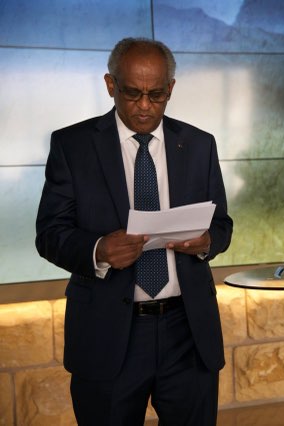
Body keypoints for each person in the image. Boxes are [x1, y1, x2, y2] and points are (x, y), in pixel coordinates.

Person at [35, 37, 233, 425]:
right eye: (132, 93)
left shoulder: (199, 145)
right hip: (107, 334)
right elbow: (49, 233)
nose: (144, 105)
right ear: (111, 85)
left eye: (156, 95)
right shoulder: (72, 146)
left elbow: (222, 225)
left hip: (187, 332)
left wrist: (206, 241)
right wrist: (98, 250)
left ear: (170, 89)